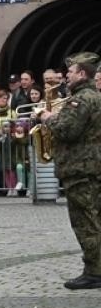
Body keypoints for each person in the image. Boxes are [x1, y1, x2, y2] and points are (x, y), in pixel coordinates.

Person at [39, 52, 101, 289]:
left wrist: (47, 118)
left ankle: (94, 271)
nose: (66, 76)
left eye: (71, 72)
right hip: (92, 167)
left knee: (85, 222)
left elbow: (67, 130)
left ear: (82, 74)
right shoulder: (94, 96)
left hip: (80, 169)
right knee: (95, 219)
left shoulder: (80, 100)